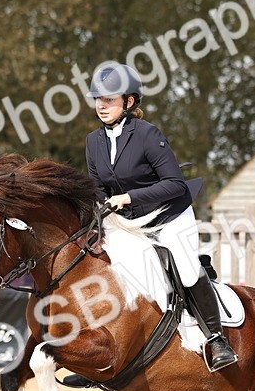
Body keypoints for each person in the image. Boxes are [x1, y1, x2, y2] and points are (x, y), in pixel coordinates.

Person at [78, 61, 237, 374]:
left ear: (130, 101)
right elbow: (96, 187)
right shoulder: (93, 142)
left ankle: (217, 339)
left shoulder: (148, 134)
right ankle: (102, 355)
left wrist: (129, 197)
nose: (101, 105)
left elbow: (174, 183)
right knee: (107, 269)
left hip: (169, 214)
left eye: (108, 99)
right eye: (98, 99)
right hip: (128, 220)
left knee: (188, 270)